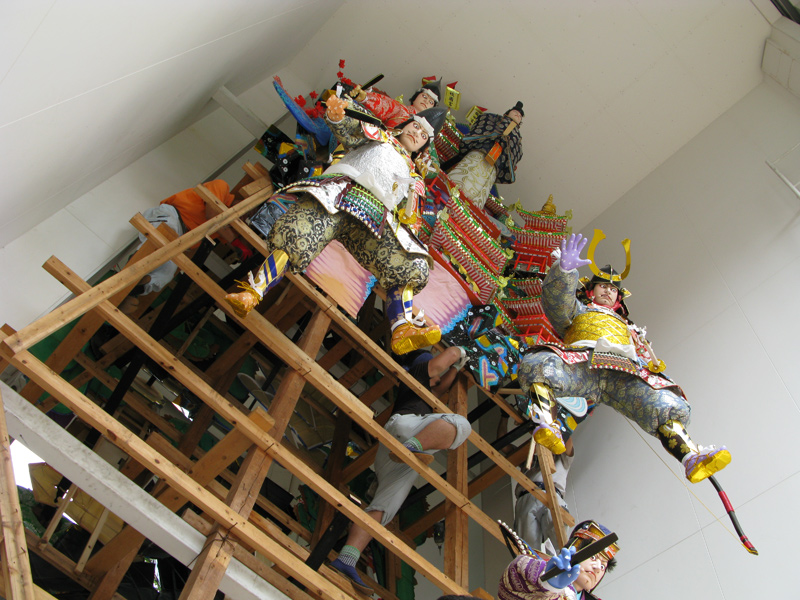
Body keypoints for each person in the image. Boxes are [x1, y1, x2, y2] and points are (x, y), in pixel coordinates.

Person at [224, 95, 448, 355]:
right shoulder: (380, 135)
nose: (416, 133)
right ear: (405, 124)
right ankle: (253, 291)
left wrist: (411, 210)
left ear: (424, 146)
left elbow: (412, 220)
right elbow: (349, 130)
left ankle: (401, 328)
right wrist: (338, 114)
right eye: (416, 126)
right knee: (300, 232)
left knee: (413, 263)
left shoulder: (415, 177)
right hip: (340, 193)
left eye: (423, 135)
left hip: (376, 220)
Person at [518, 232, 731, 484]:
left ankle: (690, 456)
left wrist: (649, 359)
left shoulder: (630, 329)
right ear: (590, 291)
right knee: (540, 363)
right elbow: (557, 303)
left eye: (613, 289)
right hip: (582, 364)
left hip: (624, 372)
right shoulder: (579, 311)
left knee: (662, 401)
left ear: (619, 298)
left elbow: (646, 358)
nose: (608, 291)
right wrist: (564, 271)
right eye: (603, 286)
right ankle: (548, 424)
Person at [329, 345, 471, 592]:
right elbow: (441, 363)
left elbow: (441, 387)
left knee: (384, 508)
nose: (438, 375)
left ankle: (347, 559)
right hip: (406, 429)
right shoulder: (418, 370)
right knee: (460, 425)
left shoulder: (424, 388)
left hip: (395, 448)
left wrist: (458, 368)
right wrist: (460, 350)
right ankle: (412, 447)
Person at [120, 180, 246, 314]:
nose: (245, 216)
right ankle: (130, 277)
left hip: (180, 239)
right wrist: (235, 241)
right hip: (172, 216)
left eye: (247, 217)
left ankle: (133, 290)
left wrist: (244, 247)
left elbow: (232, 242)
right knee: (161, 243)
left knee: (167, 273)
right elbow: (211, 214)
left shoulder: (226, 227)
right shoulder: (222, 187)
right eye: (248, 212)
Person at [499, 520, 619, 600]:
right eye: (593, 557)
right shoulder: (538, 569)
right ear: (575, 549)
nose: (597, 567)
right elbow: (512, 580)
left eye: (603, 566)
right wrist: (547, 583)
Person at [445, 102, 524, 209]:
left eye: (520, 116)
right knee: (465, 175)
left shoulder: (517, 139)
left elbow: (516, 155)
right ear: (508, 112)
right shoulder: (494, 119)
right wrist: (497, 134)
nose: (517, 115)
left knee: (481, 188)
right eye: (515, 112)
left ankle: (467, 208)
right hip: (480, 152)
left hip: (494, 165)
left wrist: (506, 143)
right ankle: (448, 190)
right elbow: (482, 126)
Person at [514, 438, 574, 551]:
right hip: (527, 496)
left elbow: (568, 439)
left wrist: (557, 429)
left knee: (559, 543)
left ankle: (563, 561)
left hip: (553, 494)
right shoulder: (530, 460)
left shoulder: (562, 459)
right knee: (528, 548)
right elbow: (505, 447)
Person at [352, 78, 442, 128]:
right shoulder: (400, 109)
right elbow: (383, 105)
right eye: (424, 96)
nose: (426, 101)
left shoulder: (425, 131)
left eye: (431, 102)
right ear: (415, 97)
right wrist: (365, 98)